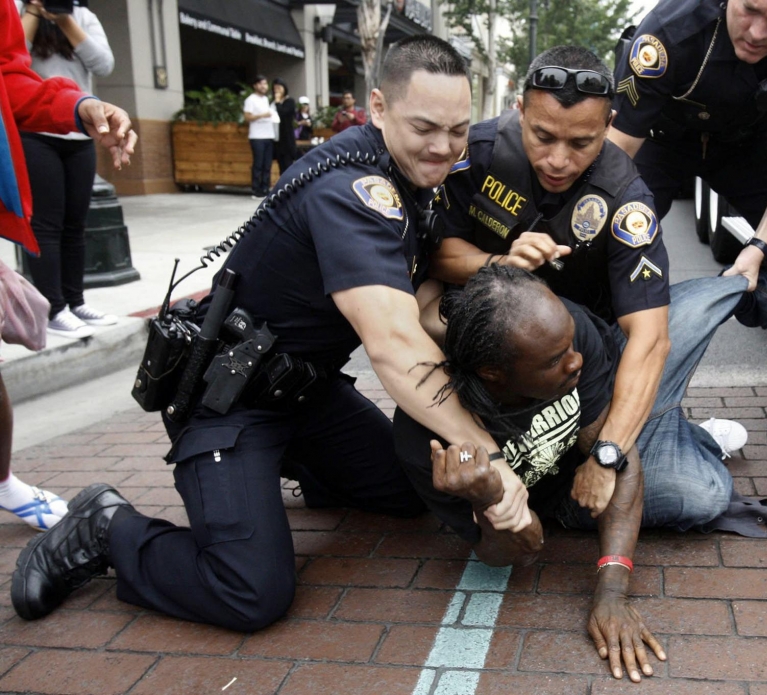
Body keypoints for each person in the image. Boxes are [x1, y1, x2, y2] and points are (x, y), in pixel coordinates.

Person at [11, 35, 534, 632]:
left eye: (458, 129)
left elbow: (416, 305)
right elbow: (393, 342)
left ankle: (294, 469)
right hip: (229, 404)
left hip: (304, 394)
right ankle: (107, 528)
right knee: (251, 591)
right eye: (425, 127)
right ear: (379, 109)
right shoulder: (356, 191)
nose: (443, 148)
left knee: (412, 489)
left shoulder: (405, 175)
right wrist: (488, 455)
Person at [395, 265, 767, 681]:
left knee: (694, 309)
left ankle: (661, 419)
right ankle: (683, 435)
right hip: (568, 501)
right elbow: (521, 551)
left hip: (603, 436)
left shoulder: (573, 331)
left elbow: (618, 456)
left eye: (569, 344)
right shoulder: (429, 441)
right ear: (494, 373)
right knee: (703, 496)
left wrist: (612, 589)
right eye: (554, 360)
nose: (574, 359)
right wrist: (486, 499)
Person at [430, 46, 738, 520]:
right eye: (543, 136)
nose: (558, 160)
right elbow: (439, 257)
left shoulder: (627, 196)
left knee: (693, 498)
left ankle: (660, 428)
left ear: (609, 124)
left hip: (592, 360)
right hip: (508, 364)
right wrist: (501, 262)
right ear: (519, 110)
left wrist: (608, 453)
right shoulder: (478, 153)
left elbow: (650, 338)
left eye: (581, 143)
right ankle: (669, 428)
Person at [606, 0, 767, 471]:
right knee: (611, 236)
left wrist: (759, 246)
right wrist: (616, 223)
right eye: (750, 10)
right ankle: (592, 391)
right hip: (662, 138)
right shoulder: (670, 31)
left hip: (749, 143)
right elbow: (618, 146)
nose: (759, 32)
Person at [0, 0, 136, 528]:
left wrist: (78, 106)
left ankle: (4, 481)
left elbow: (11, 74)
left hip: (62, 132)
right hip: (36, 145)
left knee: (71, 227)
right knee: (52, 231)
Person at [17, 0, 117, 339]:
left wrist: (64, 20)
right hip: (35, 133)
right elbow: (11, 58)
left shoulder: (82, 17)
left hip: (79, 129)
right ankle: (53, 307)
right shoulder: (19, 9)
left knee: (76, 224)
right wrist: (32, 12)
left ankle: (75, 301)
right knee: (46, 224)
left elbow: (103, 64)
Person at [243, 74, 276, 199]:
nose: (264, 86)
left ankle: (265, 188)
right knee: (258, 163)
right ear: (255, 85)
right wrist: (262, 115)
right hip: (257, 136)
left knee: (267, 164)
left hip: (269, 135)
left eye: (265, 84)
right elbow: (247, 117)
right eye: (261, 84)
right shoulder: (250, 100)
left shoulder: (266, 99)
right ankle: (256, 190)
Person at [271, 77, 297, 175]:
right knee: (280, 165)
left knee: (287, 166)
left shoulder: (289, 101)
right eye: (275, 88)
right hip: (276, 138)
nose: (277, 90)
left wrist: (278, 102)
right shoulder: (272, 103)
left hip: (286, 139)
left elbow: (283, 113)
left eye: (279, 88)